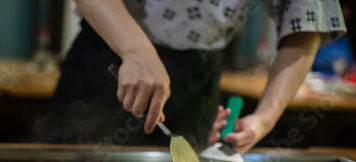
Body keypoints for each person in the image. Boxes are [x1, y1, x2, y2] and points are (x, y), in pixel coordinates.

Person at [35, 0, 346, 153]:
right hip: (109, 54)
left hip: (198, 76)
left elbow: (305, 25)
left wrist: (263, 119)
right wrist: (137, 52)